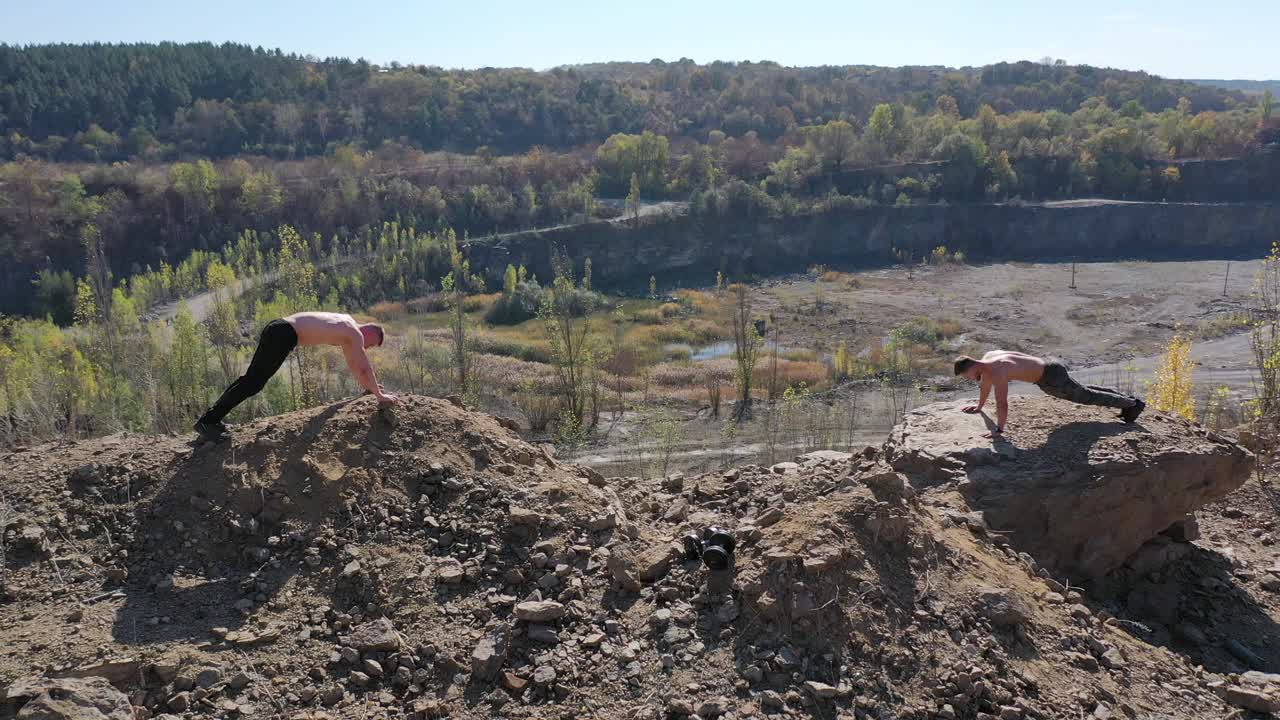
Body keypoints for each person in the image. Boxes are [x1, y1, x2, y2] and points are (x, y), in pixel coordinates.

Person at [194, 312, 398, 439]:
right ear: (371, 333)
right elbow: (362, 366)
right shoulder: (353, 333)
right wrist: (380, 396)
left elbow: (355, 365)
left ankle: (212, 419)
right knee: (253, 382)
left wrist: (371, 388)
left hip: (278, 327)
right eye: (371, 344)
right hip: (284, 334)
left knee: (251, 380)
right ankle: (208, 421)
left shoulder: (347, 322)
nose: (367, 348)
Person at [953, 350, 1144, 437]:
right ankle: (1129, 401)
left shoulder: (997, 371)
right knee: (1083, 391)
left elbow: (1002, 403)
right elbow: (985, 386)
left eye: (966, 376)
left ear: (971, 367)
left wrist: (999, 430)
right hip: (1049, 364)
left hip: (1049, 378)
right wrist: (979, 407)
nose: (968, 379)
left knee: (1083, 396)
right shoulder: (989, 357)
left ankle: (1132, 405)